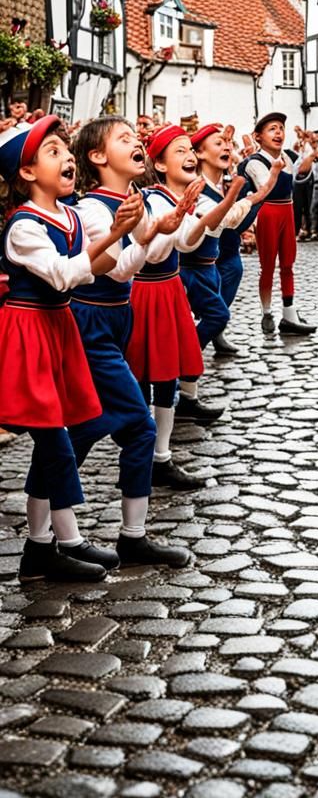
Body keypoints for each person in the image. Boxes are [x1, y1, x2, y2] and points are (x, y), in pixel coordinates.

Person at [0, 117, 142, 582]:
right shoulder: (23, 226)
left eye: (66, 149)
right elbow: (62, 274)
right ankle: (51, 545)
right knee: (57, 440)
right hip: (29, 332)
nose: (67, 159)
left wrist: (128, 233)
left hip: (58, 328)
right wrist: (117, 233)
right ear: (26, 173)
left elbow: (99, 266)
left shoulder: (72, 216)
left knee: (71, 432)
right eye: (53, 152)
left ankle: (45, 547)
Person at [69, 117, 194, 564]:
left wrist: (156, 230)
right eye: (124, 139)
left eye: (135, 138)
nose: (136, 142)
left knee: (84, 430)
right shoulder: (91, 209)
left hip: (115, 321)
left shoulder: (129, 201)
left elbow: (132, 262)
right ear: (97, 157)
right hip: (93, 324)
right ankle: (129, 536)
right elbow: (118, 267)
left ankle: (50, 539)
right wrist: (148, 233)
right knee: (135, 429)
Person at [126, 125, 242, 485]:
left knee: (166, 376)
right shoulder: (151, 199)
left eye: (189, 150)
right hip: (148, 291)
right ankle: (146, 453)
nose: (189, 155)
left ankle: (160, 456)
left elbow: (190, 241)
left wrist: (217, 205)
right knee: (148, 375)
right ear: (159, 164)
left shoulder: (174, 198)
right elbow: (155, 250)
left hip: (169, 290)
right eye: (179, 151)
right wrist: (177, 218)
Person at [189, 123, 283, 358]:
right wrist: (258, 196)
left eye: (228, 143)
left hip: (228, 256)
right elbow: (231, 221)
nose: (227, 147)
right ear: (199, 153)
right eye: (218, 143)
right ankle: (190, 353)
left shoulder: (226, 182)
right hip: (201, 261)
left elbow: (238, 223)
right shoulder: (197, 188)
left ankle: (216, 333)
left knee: (230, 281)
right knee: (210, 310)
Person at [237, 113, 316, 335]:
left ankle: (289, 313)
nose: (279, 132)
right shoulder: (254, 162)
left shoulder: (289, 156)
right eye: (272, 128)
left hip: (287, 210)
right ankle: (267, 312)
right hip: (268, 212)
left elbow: (303, 169)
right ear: (258, 137)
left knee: (288, 263)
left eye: (281, 127)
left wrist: (313, 151)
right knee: (268, 266)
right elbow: (265, 186)